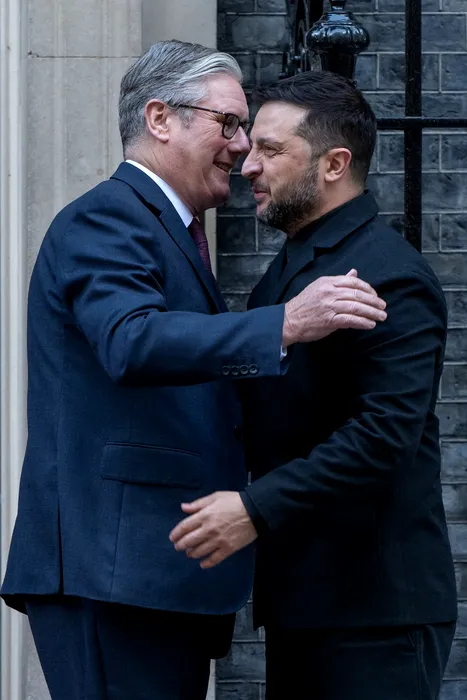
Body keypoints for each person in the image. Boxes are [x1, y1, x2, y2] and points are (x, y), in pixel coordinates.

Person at [1, 44, 386, 700]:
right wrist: (284, 323)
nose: (241, 147)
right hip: (114, 572)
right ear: (159, 118)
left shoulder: (171, 229)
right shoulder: (108, 216)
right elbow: (130, 340)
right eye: (228, 123)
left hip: (153, 574)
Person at [170, 71, 458, 700]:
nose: (248, 164)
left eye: (271, 149)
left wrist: (254, 508)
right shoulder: (292, 269)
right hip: (309, 604)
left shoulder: (389, 273)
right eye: (252, 146)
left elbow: (384, 436)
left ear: (334, 164)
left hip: (375, 616)